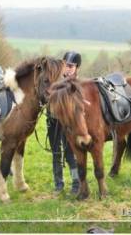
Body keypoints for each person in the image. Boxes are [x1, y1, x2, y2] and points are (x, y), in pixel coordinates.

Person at [46, 51, 81, 194]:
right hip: (53, 121)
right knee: (56, 153)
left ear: (77, 67)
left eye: (71, 66)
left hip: (69, 124)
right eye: (66, 65)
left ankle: (76, 183)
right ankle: (58, 184)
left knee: (69, 153)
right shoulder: (56, 81)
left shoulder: (78, 84)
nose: (67, 68)